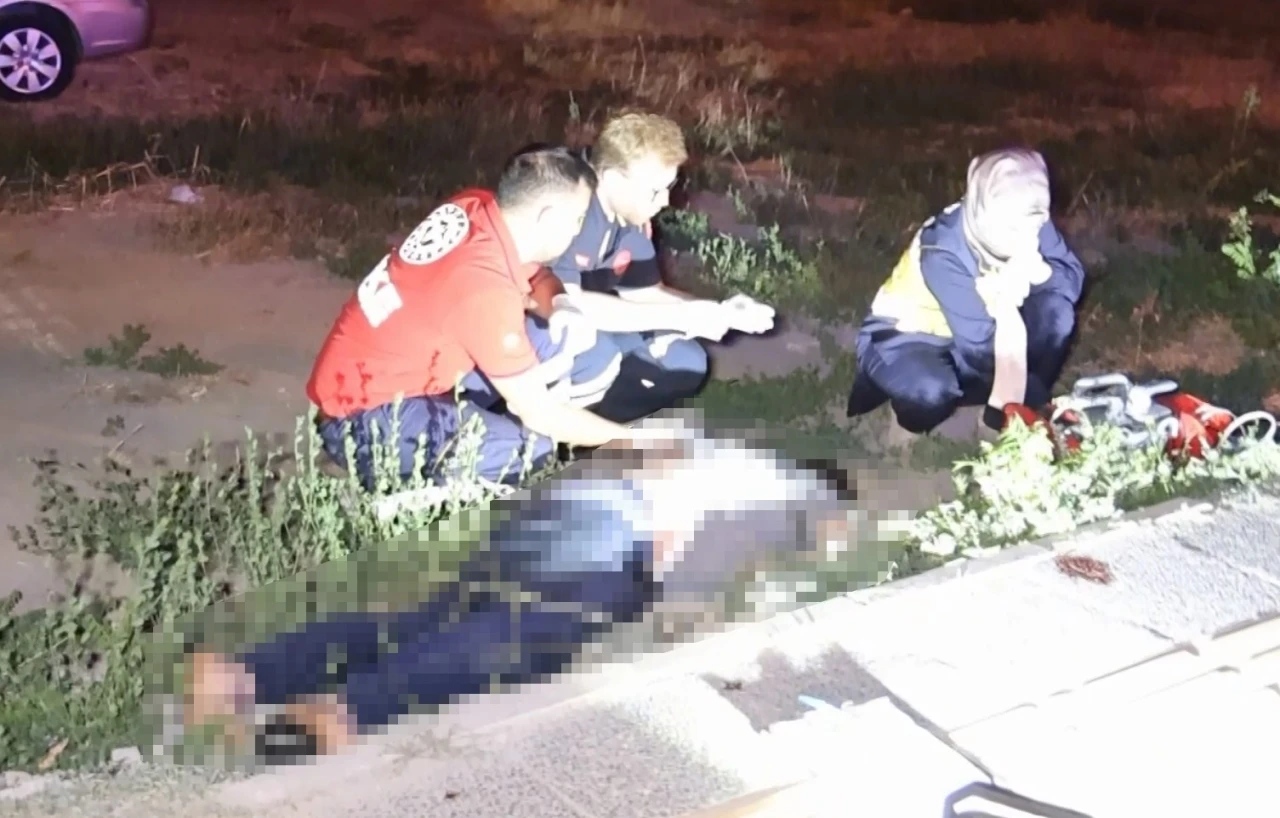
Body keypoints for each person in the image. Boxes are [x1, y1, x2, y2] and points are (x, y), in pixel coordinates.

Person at [180, 417, 859, 761]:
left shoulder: (733, 458)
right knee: (507, 641)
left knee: (440, 619)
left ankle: (247, 673)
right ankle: (346, 712)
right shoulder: (788, 496)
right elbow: (686, 566)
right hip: (610, 534)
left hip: (569, 510)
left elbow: (647, 453)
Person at [305, 145, 658, 492]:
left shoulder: (477, 207)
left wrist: (560, 305)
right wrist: (633, 442)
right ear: (548, 218)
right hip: (361, 416)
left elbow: (537, 275)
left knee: (559, 343)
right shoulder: (484, 290)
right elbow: (541, 414)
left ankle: (482, 434)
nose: (578, 231)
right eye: (578, 219)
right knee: (531, 452)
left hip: (394, 370)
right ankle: (406, 493)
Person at [462, 112, 777, 424]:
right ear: (612, 180)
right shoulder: (570, 205)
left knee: (684, 361)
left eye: (670, 187)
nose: (666, 200)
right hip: (519, 320)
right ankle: (520, 429)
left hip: (577, 321)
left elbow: (644, 292)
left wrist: (719, 311)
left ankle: (591, 433)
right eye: (655, 190)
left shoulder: (631, 217)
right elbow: (566, 302)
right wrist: (680, 317)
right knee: (595, 354)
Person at [845, 147, 1086, 441]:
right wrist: (1032, 395)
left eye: (1035, 225)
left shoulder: (1028, 214)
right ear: (985, 207)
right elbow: (980, 348)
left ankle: (1003, 412)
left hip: (968, 338)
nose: (1026, 237)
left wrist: (1042, 273)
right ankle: (907, 425)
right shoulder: (943, 250)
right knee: (930, 391)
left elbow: (1072, 280)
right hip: (905, 337)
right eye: (1013, 228)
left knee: (1058, 315)